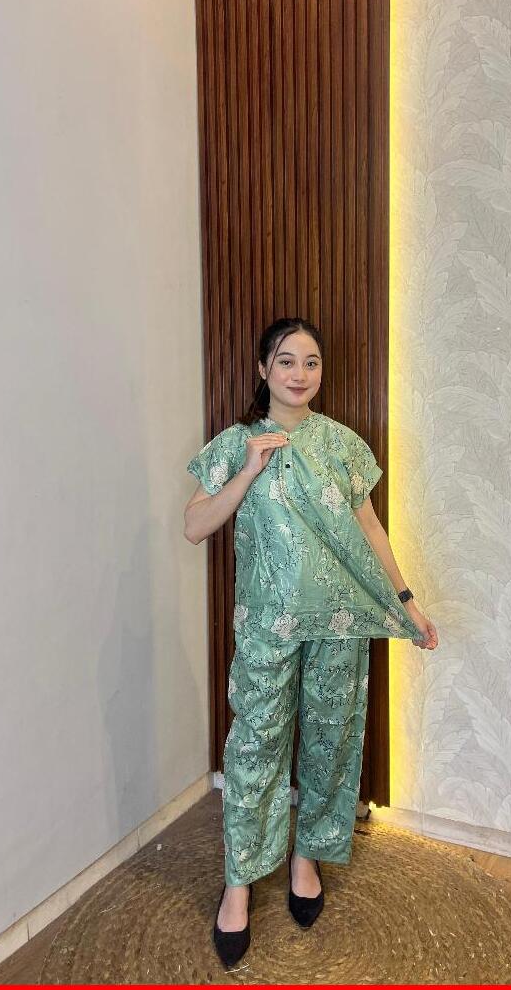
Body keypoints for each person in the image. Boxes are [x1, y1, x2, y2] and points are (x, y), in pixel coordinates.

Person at [184, 317, 439, 968]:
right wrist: (247, 472)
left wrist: (406, 602)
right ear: (263, 369)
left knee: (330, 741)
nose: (300, 374)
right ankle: (239, 882)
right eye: (286, 360)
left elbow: (369, 531)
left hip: (338, 626)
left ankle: (307, 857)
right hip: (266, 628)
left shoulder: (342, 445)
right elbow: (194, 525)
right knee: (255, 747)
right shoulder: (236, 443)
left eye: (312, 362)